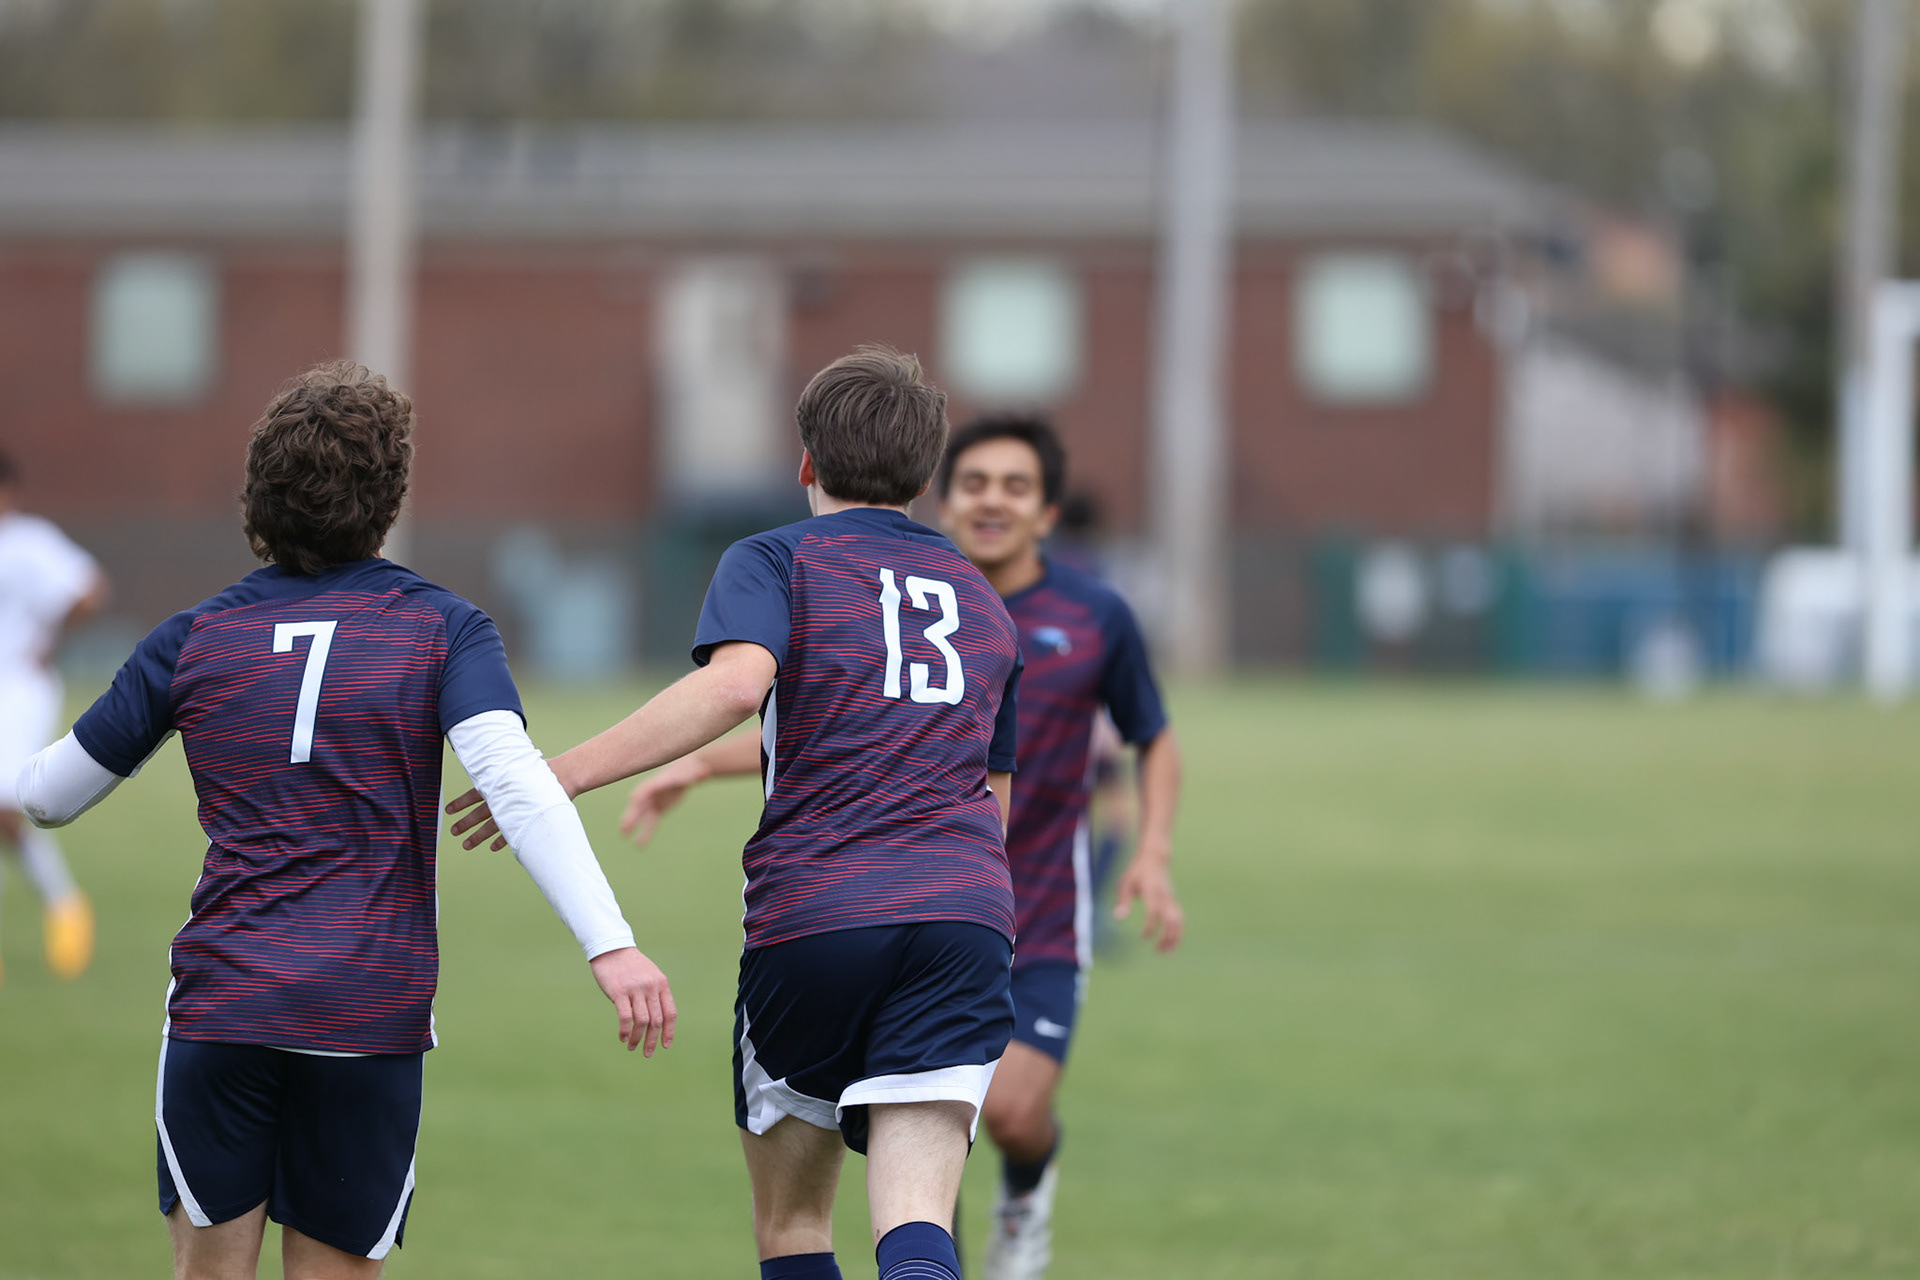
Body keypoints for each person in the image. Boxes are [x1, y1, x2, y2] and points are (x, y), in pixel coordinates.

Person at [15, 362, 675, 1280]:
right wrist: (611, 944)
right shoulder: (446, 628)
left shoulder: (193, 637)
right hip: (367, 1010)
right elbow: (517, 786)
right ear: (389, 494)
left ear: (259, 491)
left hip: (225, 1003)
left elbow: (47, 795)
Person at [448, 345, 1023, 1280]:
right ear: (926, 476)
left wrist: (558, 776)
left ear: (804, 465)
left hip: (822, 916)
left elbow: (735, 686)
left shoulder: (776, 557)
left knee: (795, 1223)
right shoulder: (984, 603)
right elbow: (987, 797)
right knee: (917, 1219)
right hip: (963, 917)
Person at [621, 414, 1185, 1280]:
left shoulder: (1087, 614)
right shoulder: (934, 595)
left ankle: (1026, 1201)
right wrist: (700, 765)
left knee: (1008, 1119)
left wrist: (1150, 849)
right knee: (920, 1189)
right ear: (941, 494)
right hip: (960, 906)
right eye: (977, 482)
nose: (993, 499)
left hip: (1004, 909)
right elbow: (855, 732)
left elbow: (1150, 736)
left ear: (1047, 512)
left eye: (1016, 486)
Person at [0, 447, 109, 984]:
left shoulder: (28, 543)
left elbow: (90, 589)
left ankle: (65, 905)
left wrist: (52, 635)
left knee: (5, 807)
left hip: (18, 690)